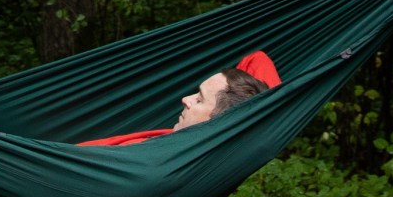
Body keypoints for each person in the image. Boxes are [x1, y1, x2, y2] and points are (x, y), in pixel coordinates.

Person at [78, 50, 280, 146]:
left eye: (199, 100)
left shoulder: (152, 159)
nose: (185, 99)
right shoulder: (183, 145)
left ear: (221, 121)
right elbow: (257, 59)